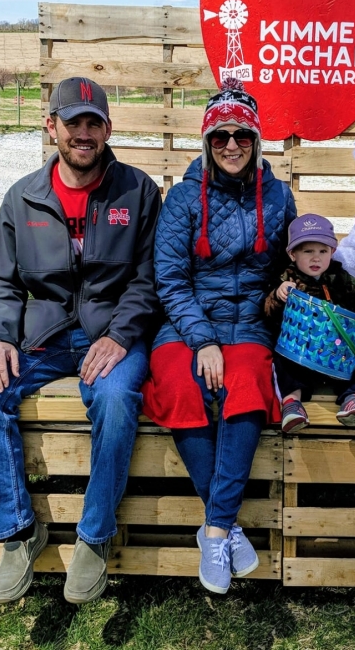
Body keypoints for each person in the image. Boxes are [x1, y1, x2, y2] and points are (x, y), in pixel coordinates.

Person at [0, 77, 161, 605]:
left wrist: (120, 335)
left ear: (108, 129)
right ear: (52, 127)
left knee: (117, 399)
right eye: (73, 123)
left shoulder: (137, 191)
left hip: (111, 335)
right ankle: (19, 533)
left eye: (94, 122)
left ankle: (94, 536)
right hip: (43, 337)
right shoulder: (22, 196)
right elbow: (0, 280)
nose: (84, 133)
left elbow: (149, 277)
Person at [141, 77, 296, 595]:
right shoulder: (183, 199)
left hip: (251, 322)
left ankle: (213, 528)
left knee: (248, 384)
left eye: (243, 135)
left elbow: (286, 265)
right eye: (221, 136)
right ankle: (227, 525)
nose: (232, 145)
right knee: (179, 384)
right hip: (186, 324)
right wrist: (203, 339)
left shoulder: (278, 197)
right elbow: (170, 278)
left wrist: (282, 294)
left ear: (256, 141)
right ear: (207, 143)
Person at [264, 214, 355, 433]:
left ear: (333, 252)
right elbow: (269, 312)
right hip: (301, 350)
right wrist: (278, 296)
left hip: (335, 351)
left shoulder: (339, 277)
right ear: (293, 254)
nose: (316, 258)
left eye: (323, 251)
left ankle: (354, 399)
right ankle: (292, 404)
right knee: (283, 360)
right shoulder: (287, 279)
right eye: (308, 251)